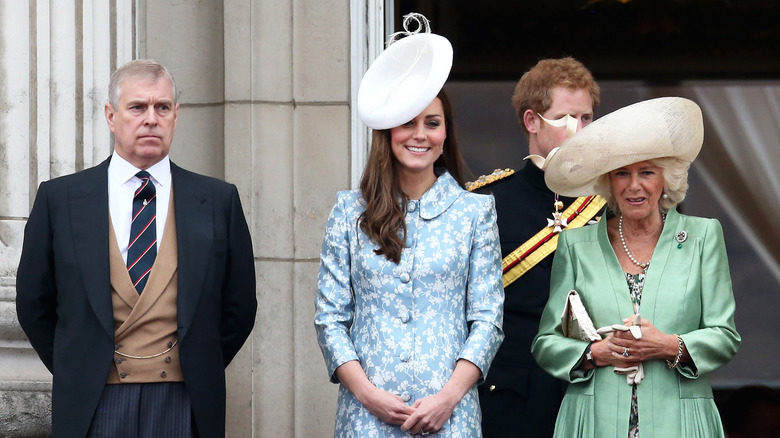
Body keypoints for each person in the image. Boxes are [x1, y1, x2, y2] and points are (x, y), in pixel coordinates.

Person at [15, 59, 257, 438]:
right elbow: (34, 302)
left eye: (162, 107)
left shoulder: (218, 200)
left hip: (185, 402)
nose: (151, 118)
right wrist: (79, 365)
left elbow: (239, 307)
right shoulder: (60, 199)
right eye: (137, 107)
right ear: (112, 116)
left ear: (176, 116)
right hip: (93, 403)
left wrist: (196, 364)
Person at [314, 13, 504, 437]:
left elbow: (488, 319)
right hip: (366, 417)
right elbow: (329, 318)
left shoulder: (474, 212)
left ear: (446, 134)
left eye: (432, 123)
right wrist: (368, 395)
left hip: (450, 416)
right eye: (408, 122)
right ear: (388, 130)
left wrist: (448, 398)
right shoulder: (349, 212)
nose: (420, 135)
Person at [531, 96, 741, 437]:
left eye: (646, 172)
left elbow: (725, 336)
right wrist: (595, 352)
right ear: (608, 182)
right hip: (594, 421)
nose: (634, 185)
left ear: (666, 179)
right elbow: (546, 342)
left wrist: (668, 345)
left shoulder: (703, 237)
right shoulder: (575, 245)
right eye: (622, 174)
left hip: (681, 421)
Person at [471, 57, 603, 438]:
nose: (578, 130)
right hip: (511, 396)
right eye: (564, 118)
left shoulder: (611, 202)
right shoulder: (486, 203)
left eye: (586, 118)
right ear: (532, 121)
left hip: (591, 388)